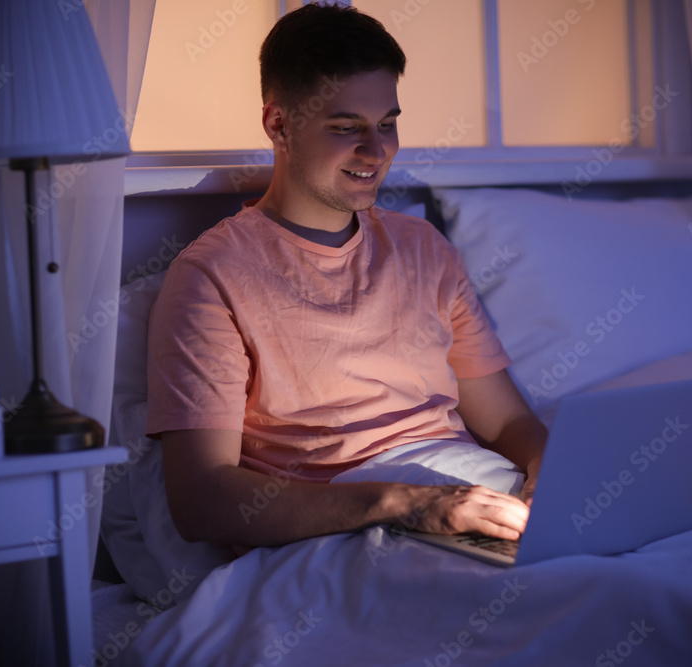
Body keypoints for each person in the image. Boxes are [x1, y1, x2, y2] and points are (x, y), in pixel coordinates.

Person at [146, 3, 547, 550]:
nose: (376, 151)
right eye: (346, 128)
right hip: (345, 529)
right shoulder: (211, 276)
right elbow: (202, 500)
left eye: (387, 124)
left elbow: (505, 423)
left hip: (466, 495)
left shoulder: (423, 249)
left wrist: (548, 468)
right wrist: (408, 505)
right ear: (278, 124)